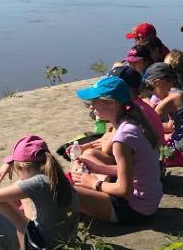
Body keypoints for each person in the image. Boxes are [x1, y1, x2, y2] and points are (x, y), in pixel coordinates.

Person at [69, 76, 163, 224]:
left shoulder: (122, 139)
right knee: (88, 158)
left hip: (136, 209)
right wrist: (98, 168)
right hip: (147, 200)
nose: (91, 106)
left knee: (68, 192)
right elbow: (133, 169)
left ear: (111, 103)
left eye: (94, 101)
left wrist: (94, 183)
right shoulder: (131, 122)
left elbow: (124, 190)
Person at [0, 135, 78, 250]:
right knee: (18, 191)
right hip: (66, 242)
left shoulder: (37, 183)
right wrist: (11, 163)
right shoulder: (54, 175)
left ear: (25, 168)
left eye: (16, 168)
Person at [143, 62, 183, 167]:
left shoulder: (171, 99)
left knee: (142, 152)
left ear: (159, 83)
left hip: (182, 154)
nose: (152, 94)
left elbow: (148, 124)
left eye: (150, 89)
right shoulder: (181, 92)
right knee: (163, 137)